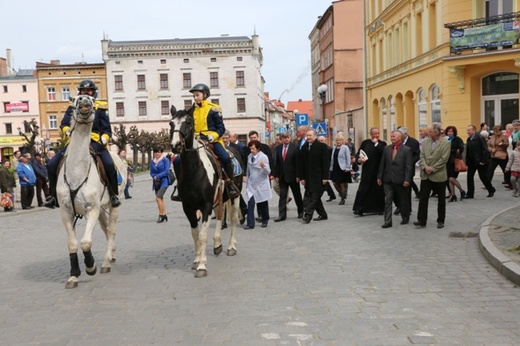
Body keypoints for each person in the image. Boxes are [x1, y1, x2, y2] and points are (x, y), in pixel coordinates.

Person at [44, 79, 121, 208]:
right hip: (75, 141)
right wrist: (67, 131)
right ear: (80, 92)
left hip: (94, 141)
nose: (86, 93)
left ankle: (114, 195)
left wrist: (104, 138)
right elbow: (64, 124)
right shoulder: (73, 106)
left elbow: (107, 129)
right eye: (84, 91)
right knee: (52, 164)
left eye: (89, 91)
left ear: (93, 92)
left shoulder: (100, 109)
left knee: (109, 164)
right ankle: (53, 196)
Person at [171, 83, 239, 201]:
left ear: (205, 95)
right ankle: (180, 186)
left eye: (197, 95)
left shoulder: (213, 108)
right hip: (196, 141)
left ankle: (230, 184)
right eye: (194, 96)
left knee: (225, 158)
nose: (195, 97)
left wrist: (213, 137)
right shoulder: (191, 111)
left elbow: (221, 128)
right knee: (177, 161)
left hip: (213, 140)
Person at [414, 123, 451, 229]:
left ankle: (440, 220)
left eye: (430, 131)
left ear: (437, 132)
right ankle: (421, 220)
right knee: (423, 198)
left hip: (439, 175)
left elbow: (444, 159)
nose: (428, 133)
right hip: (426, 175)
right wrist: (425, 167)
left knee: (441, 199)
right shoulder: (425, 142)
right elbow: (422, 156)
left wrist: (433, 168)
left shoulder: (446, 143)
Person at [377, 130, 413, 228]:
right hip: (387, 179)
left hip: (400, 179)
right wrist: (379, 176)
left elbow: (408, 167)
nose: (392, 138)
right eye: (391, 136)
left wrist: (407, 179)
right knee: (388, 200)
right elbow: (382, 163)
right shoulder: (387, 149)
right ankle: (388, 221)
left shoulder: (406, 150)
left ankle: (405, 216)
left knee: (402, 199)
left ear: (400, 138)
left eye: (394, 136)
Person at [352, 127, 387, 216]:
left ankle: (379, 209)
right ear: (371, 134)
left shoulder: (382, 143)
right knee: (363, 189)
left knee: (378, 190)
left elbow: (383, 153)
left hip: (378, 170)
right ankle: (360, 209)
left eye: (378, 133)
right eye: (375, 133)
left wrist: (376, 144)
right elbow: (359, 153)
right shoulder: (365, 143)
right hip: (367, 170)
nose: (377, 135)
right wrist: (359, 160)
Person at [298, 129, 330, 224]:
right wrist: (302, 178)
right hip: (308, 177)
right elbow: (302, 164)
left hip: (319, 177)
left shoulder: (322, 147)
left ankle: (308, 215)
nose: (308, 137)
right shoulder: (304, 147)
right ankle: (323, 214)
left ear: (315, 136)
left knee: (314, 197)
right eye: (307, 135)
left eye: (310, 135)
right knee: (314, 196)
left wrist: (325, 177)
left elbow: (326, 163)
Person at [273, 132, 304, 221]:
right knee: (283, 196)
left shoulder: (295, 148)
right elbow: (277, 163)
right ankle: (282, 215)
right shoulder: (278, 148)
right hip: (282, 176)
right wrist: (276, 175)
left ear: (290, 138)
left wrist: (299, 175)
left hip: (293, 176)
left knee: (297, 195)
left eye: (288, 137)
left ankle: (301, 211)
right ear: (282, 139)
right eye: (284, 138)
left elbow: (298, 163)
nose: (286, 139)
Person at [243, 140, 272, 229]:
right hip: (252, 184)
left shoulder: (263, 157)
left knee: (263, 203)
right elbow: (248, 169)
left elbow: (268, 171)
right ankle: (250, 224)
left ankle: (265, 220)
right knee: (251, 203)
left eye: (253, 149)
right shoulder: (249, 156)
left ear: (258, 148)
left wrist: (264, 166)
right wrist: (246, 178)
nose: (251, 150)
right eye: (250, 148)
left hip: (261, 183)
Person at [465, 124, 496, 199]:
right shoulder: (469, 139)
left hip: (480, 161)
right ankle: (470, 194)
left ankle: (491, 189)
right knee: (469, 177)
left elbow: (485, 149)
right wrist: (467, 162)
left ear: (474, 130)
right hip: (472, 162)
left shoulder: (479, 137)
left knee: (483, 177)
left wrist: (483, 161)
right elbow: (468, 151)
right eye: (467, 130)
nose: (467, 132)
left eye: (469, 130)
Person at [444, 125, 466, 202]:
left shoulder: (457, 139)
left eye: (451, 131)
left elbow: (461, 149)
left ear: (454, 132)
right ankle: (453, 195)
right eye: (448, 131)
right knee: (449, 179)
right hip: (447, 162)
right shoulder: (447, 139)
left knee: (452, 178)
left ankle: (462, 191)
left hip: (454, 162)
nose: (449, 133)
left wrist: (453, 150)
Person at [329, 134, 351, 205]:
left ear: (342, 141)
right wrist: (331, 167)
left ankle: (342, 199)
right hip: (335, 167)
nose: (338, 141)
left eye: (340, 140)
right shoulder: (334, 147)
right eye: (337, 140)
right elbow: (332, 158)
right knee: (335, 183)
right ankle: (342, 194)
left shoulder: (345, 147)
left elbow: (348, 158)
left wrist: (348, 167)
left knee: (341, 184)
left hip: (342, 168)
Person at [150, 146, 170, 223]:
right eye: (155, 152)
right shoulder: (152, 161)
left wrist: (158, 176)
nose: (157, 153)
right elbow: (151, 172)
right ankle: (164, 214)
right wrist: (154, 176)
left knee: (158, 198)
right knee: (160, 199)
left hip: (164, 181)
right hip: (156, 182)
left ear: (161, 152)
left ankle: (161, 215)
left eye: (158, 152)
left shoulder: (165, 160)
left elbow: (166, 171)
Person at [487, 125, 511, 189]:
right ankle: (487, 184)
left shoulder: (504, 137)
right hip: (494, 156)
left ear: (500, 131)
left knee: (505, 170)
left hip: (501, 155)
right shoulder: (492, 137)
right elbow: (488, 145)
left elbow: (507, 144)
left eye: (497, 131)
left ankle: (509, 182)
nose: (496, 132)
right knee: (490, 169)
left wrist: (502, 144)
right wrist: (491, 149)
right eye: (494, 131)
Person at [318, 136, 337, 202]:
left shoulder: (328, 148)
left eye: (322, 140)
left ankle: (317, 197)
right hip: (320, 167)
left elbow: (331, 159)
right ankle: (332, 195)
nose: (320, 142)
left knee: (323, 182)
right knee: (325, 182)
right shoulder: (318, 148)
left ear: (325, 141)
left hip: (327, 167)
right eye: (319, 140)